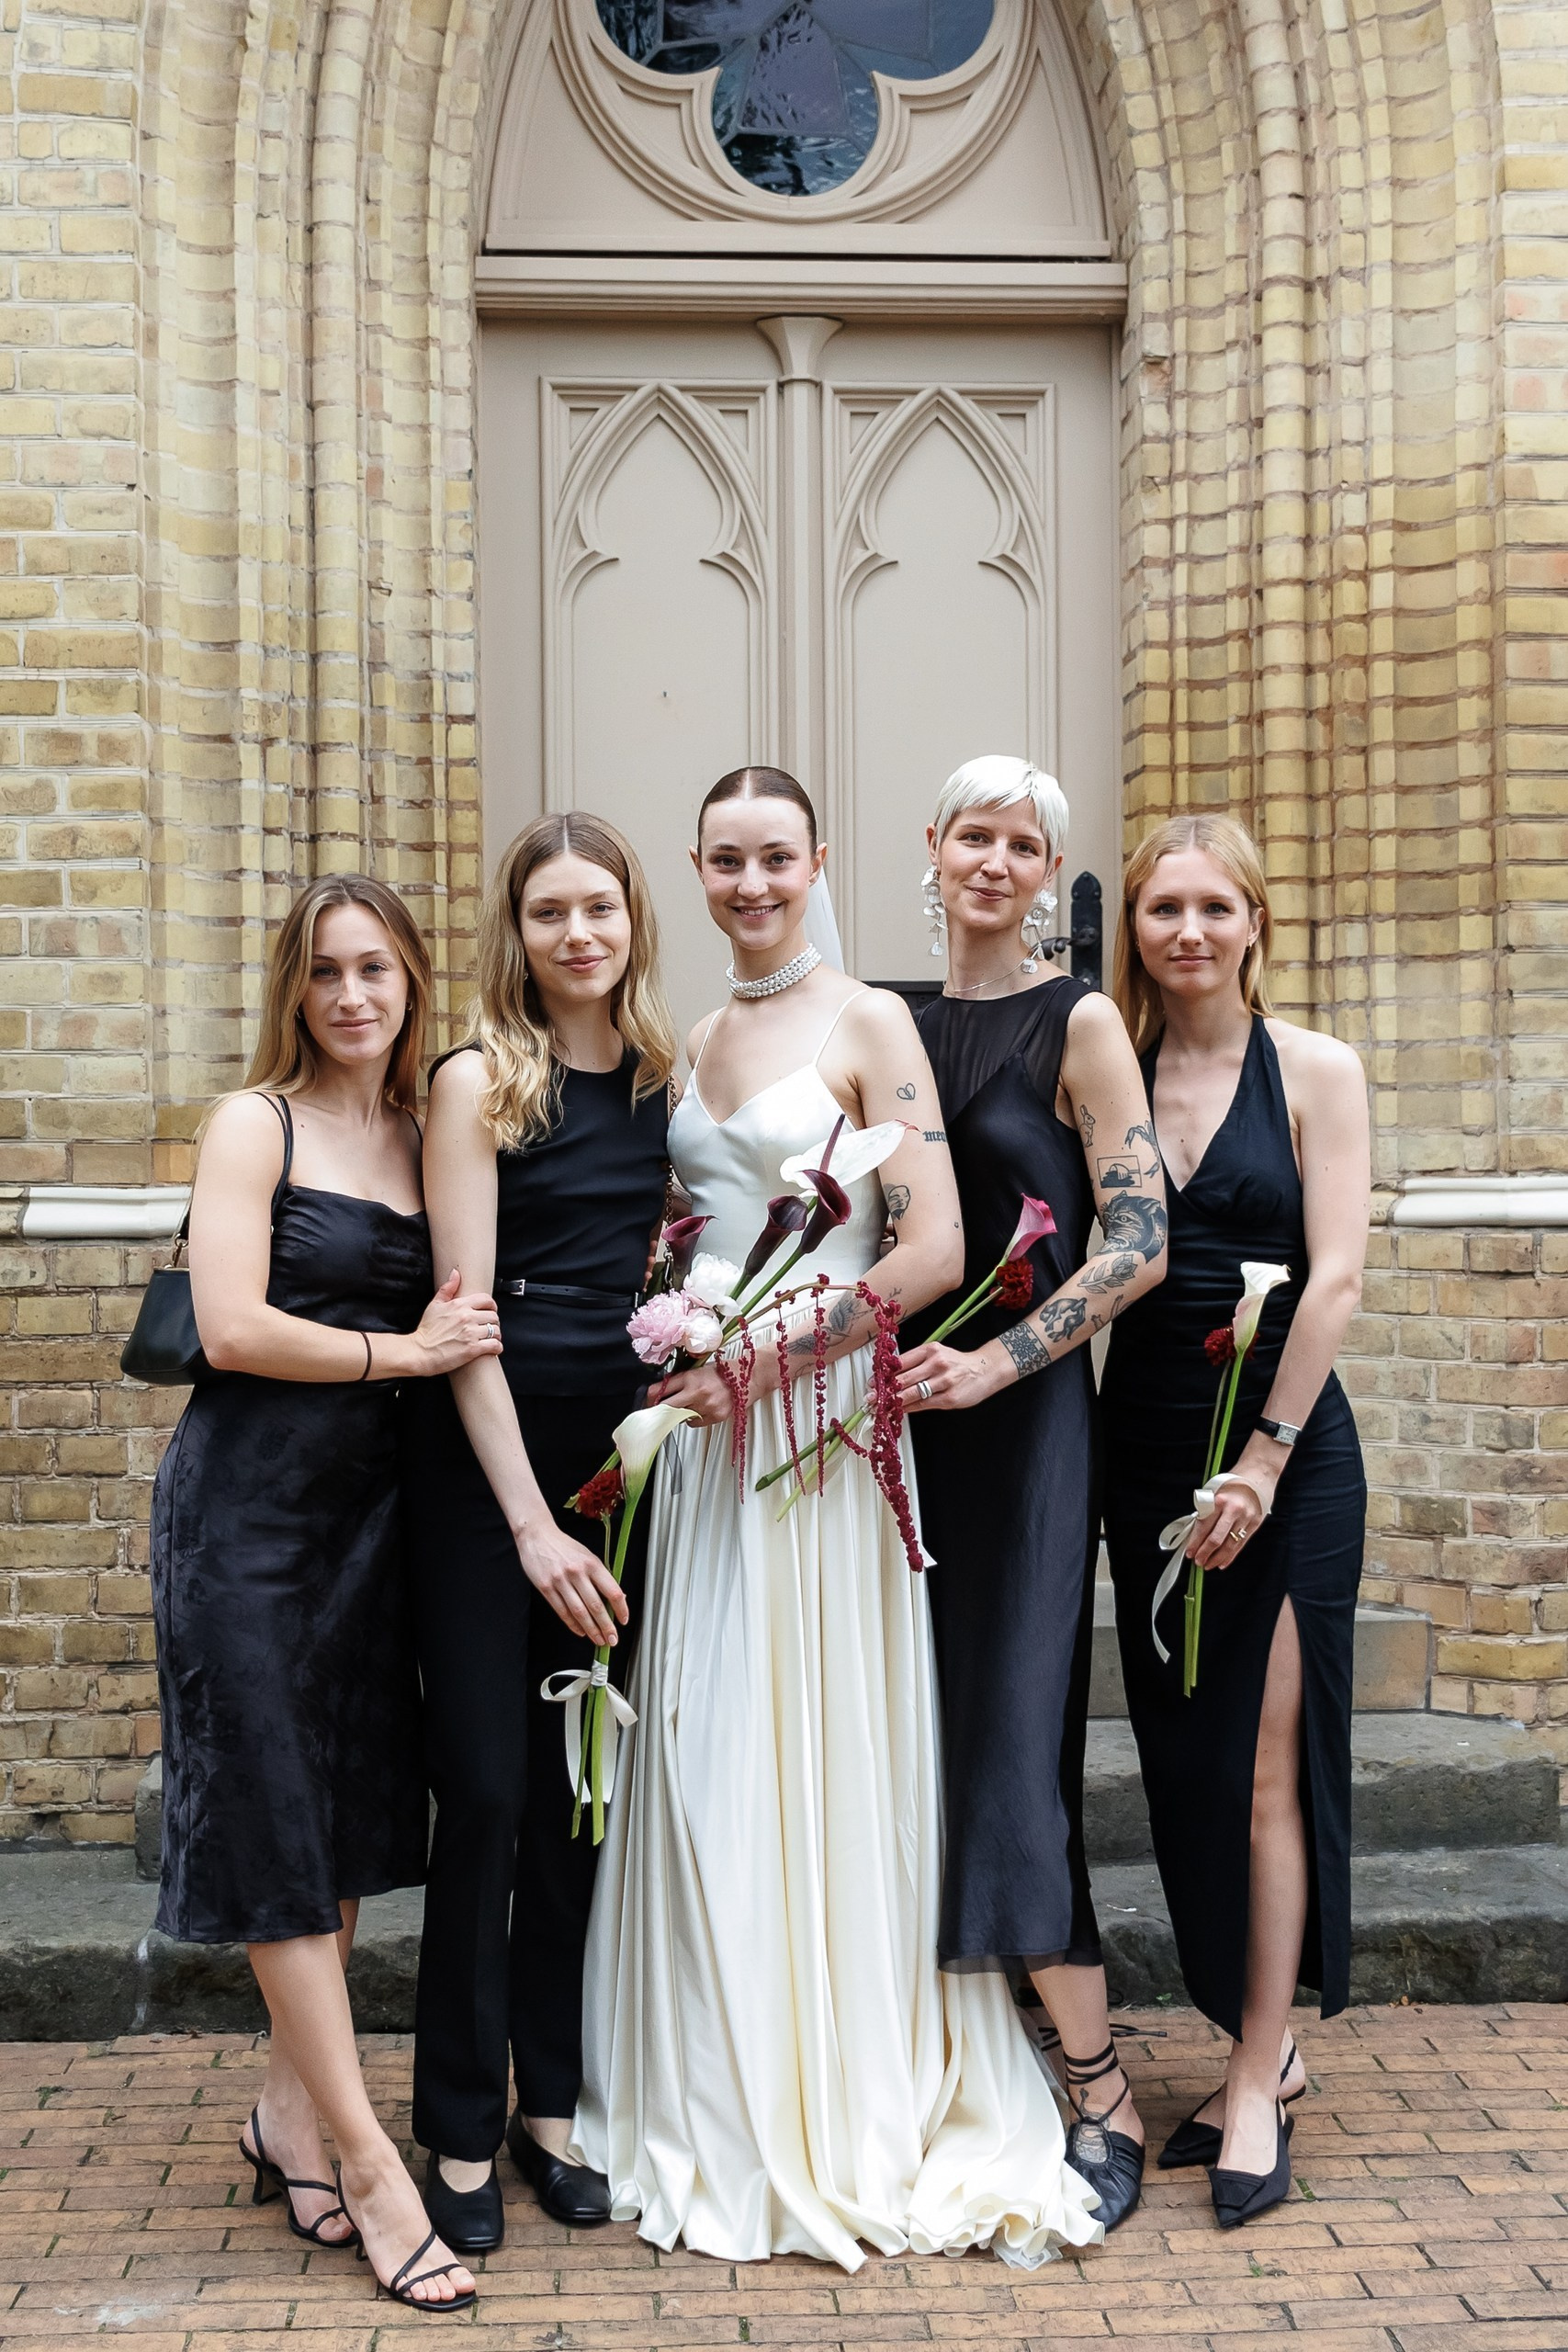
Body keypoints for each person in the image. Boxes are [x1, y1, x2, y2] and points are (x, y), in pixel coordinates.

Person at [574, 765, 1102, 2272]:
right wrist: (685, 1341)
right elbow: (688, 1227)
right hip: (708, 1445)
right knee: (705, 1741)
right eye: (726, 862)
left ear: (820, 864)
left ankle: (843, 2083)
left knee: (817, 1736)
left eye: (776, 860)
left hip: (820, 1426)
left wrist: (776, 1355)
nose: (750, 885)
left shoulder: (868, 1022)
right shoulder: (686, 1045)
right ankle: (716, 2077)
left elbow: (933, 1246)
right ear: (695, 865)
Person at [152, 874, 502, 2312]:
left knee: (347, 1819)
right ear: (293, 992)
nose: (352, 996)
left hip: (376, 1520)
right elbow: (230, 1327)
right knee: (279, 1821)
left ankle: (287, 2114)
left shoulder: (431, 1134)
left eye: (376, 970)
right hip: (245, 1518)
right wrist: (401, 1358)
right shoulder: (260, 1123)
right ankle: (368, 2158)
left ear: (416, 981)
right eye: (325, 973)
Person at [895, 755, 1168, 2232]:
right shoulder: (883, 1019)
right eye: (973, 835)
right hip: (889, 1431)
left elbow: (1139, 1240)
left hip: (1024, 1425)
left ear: (1045, 864)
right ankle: (931, 2052)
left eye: (1024, 842)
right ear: (928, 848)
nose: (994, 861)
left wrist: (1001, 1366)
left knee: (1011, 1741)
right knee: (905, 1740)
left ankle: (1097, 2083)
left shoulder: (1082, 1022)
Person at [402, 813, 675, 2256]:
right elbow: (464, 1321)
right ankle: (455, 2118)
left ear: (634, 922)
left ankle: (547, 2107)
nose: (578, 934)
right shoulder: (476, 1083)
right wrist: (527, 1526)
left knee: (585, 1793)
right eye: (550, 912)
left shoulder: (661, 1084)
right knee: (495, 1791)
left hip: (621, 1475)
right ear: (515, 932)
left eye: (601, 909)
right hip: (488, 1476)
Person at [1100, 812, 1369, 2228]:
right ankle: (1259, 2025)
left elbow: (1330, 1282)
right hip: (1143, 1452)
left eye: (1215, 906)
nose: (1190, 931)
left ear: (1256, 919)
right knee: (1189, 1765)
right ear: (1132, 928)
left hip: (1286, 1453)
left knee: (1268, 1765)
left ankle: (1259, 2069)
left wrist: (1263, 1459)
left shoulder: (1315, 1069)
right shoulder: (1112, 1074)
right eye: (1163, 909)